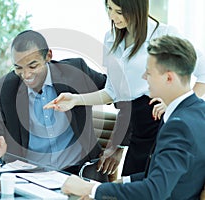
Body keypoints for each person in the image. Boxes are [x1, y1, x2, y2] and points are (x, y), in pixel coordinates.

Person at [44, 0, 205, 177]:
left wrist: (176, 105)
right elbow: (112, 92)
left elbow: (203, 71)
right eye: (109, 9)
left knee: (154, 186)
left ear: (137, 8)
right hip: (138, 128)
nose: (113, 17)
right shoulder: (111, 37)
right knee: (131, 184)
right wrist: (75, 100)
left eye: (119, 11)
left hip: (161, 123)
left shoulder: (165, 34)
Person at [61, 35, 205, 200]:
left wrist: (91, 188)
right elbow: (168, 176)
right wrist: (118, 184)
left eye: (149, 72)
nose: (143, 77)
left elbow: (154, 191)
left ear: (169, 78)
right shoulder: (198, 112)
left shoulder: (179, 126)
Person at [0, 30, 108, 175]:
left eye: (33, 66)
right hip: (31, 177)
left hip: (79, 173)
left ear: (48, 56)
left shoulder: (76, 71)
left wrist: (118, 147)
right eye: (18, 68)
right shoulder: (5, 88)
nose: (26, 75)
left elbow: (118, 93)